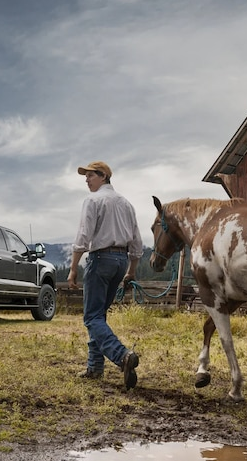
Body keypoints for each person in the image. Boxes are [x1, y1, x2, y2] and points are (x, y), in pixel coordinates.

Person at [67, 161, 144, 390]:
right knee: (99, 315)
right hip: (120, 261)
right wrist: (131, 270)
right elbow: (137, 242)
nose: (86, 180)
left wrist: (73, 268)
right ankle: (95, 368)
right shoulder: (127, 204)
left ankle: (122, 356)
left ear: (103, 176)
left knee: (91, 317)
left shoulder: (93, 201)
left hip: (100, 259)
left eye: (90, 176)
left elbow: (83, 236)